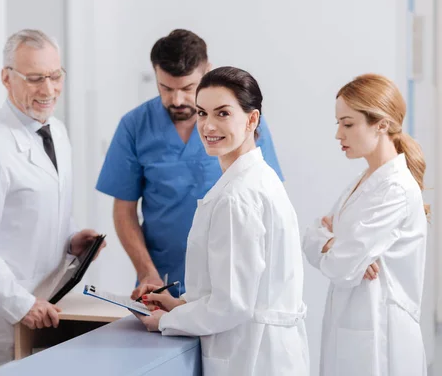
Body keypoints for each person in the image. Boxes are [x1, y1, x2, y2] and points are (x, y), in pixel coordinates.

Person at [134, 67, 309, 376]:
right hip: (270, 352)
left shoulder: (237, 196)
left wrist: (166, 321)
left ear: (252, 119)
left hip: (251, 357)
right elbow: (237, 290)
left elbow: (232, 305)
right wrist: (182, 305)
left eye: (223, 113)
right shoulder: (257, 179)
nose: (208, 125)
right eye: (202, 113)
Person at [0, 29, 104, 365]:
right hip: (6, 317)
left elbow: (40, 209)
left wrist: (72, 239)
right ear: (6, 78)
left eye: (54, 76)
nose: (48, 90)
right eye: (34, 78)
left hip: (51, 304)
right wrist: (20, 304)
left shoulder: (57, 131)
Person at [96, 29, 283, 298]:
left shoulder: (240, 123)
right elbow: (123, 210)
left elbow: (267, 198)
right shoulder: (135, 126)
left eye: (187, 88)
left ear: (207, 71)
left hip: (231, 277)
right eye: (166, 88)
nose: (178, 100)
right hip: (163, 280)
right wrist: (147, 271)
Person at [303, 74, 428, 375]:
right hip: (352, 328)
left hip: (381, 336)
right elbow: (310, 238)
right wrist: (331, 241)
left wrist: (335, 245)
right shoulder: (365, 180)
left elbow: (341, 268)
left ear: (381, 124)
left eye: (347, 124)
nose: (338, 134)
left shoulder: (395, 188)